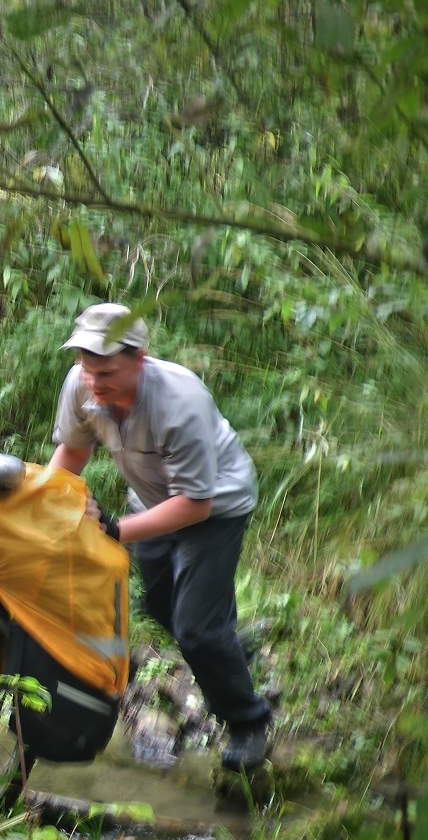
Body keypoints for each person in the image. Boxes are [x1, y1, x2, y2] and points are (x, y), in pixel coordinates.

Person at [47, 302, 273, 771]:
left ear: (139, 358)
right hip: (150, 503)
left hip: (216, 508)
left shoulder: (179, 399)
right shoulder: (81, 386)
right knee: (160, 607)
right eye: (87, 368)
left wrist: (114, 531)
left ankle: (248, 721)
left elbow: (196, 503)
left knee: (194, 628)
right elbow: (71, 453)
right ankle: (227, 648)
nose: (94, 381)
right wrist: (42, 505)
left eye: (105, 370)